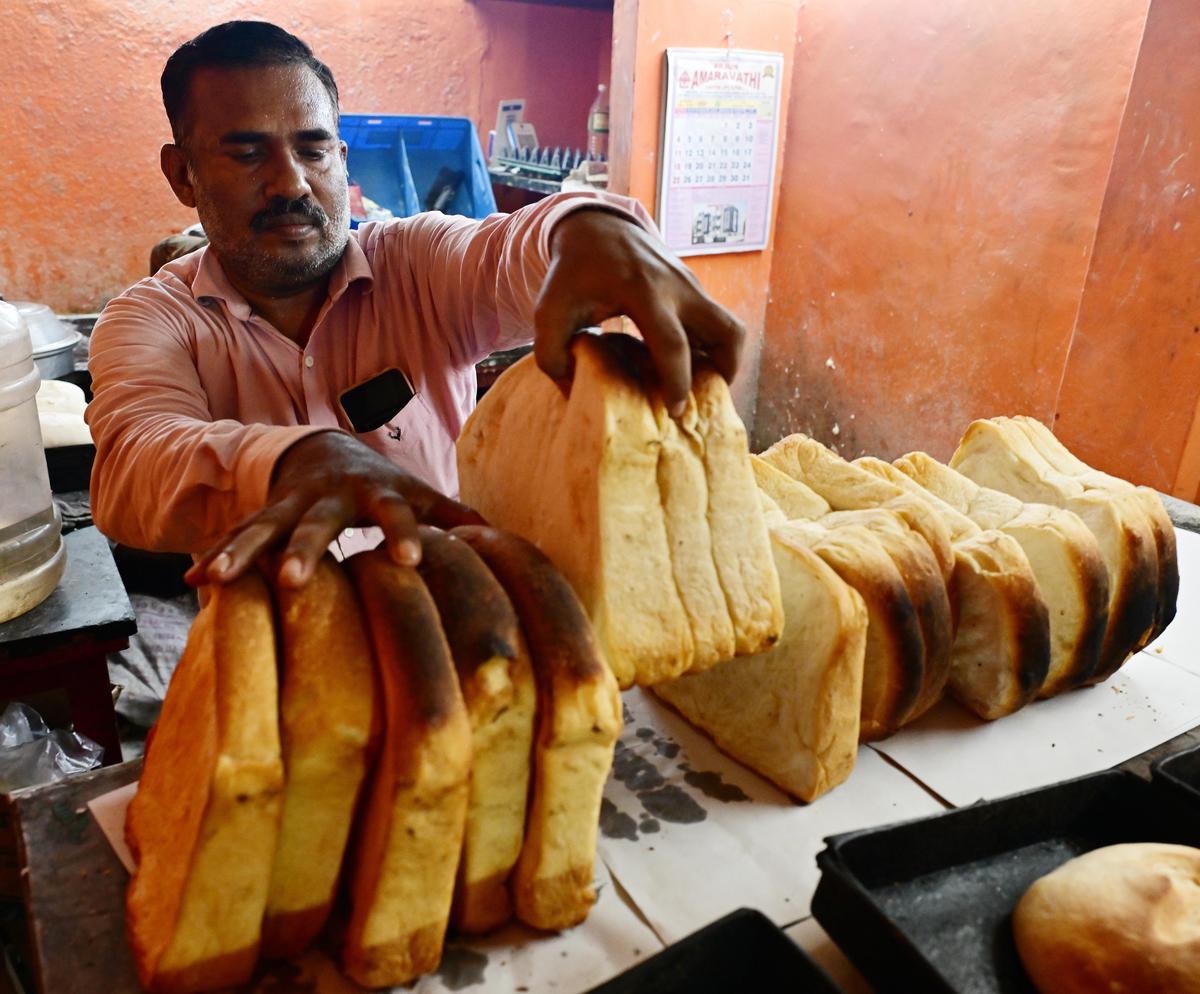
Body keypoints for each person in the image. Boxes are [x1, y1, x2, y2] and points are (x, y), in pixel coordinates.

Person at [86, 20, 745, 591]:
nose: (291, 182)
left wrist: (587, 227)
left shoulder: (415, 263)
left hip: (464, 628)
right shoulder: (149, 320)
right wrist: (290, 461)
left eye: (313, 149)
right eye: (248, 152)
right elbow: (131, 466)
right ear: (182, 175)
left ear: (343, 161)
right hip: (281, 661)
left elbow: (507, 250)